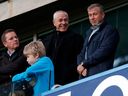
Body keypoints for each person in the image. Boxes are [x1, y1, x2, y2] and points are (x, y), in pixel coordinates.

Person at [77, 3, 120, 78]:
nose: (92, 17)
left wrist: (84, 63)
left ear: (103, 15)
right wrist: (80, 66)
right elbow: (81, 53)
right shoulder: (88, 33)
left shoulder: (110, 30)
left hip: (100, 75)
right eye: (90, 15)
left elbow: (103, 51)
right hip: (85, 76)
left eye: (95, 14)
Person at [42, 10, 84, 85]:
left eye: (65, 20)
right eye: (60, 20)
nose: (63, 23)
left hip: (71, 80)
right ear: (54, 23)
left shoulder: (77, 38)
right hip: (51, 82)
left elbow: (80, 58)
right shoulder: (47, 40)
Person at [0, 29, 28, 95]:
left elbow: (16, 66)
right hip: (5, 91)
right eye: (11, 38)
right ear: (5, 44)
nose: (15, 39)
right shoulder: (1, 58)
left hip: (23, 89)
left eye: (16, 37)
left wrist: (4, 71)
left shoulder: (25, 51)